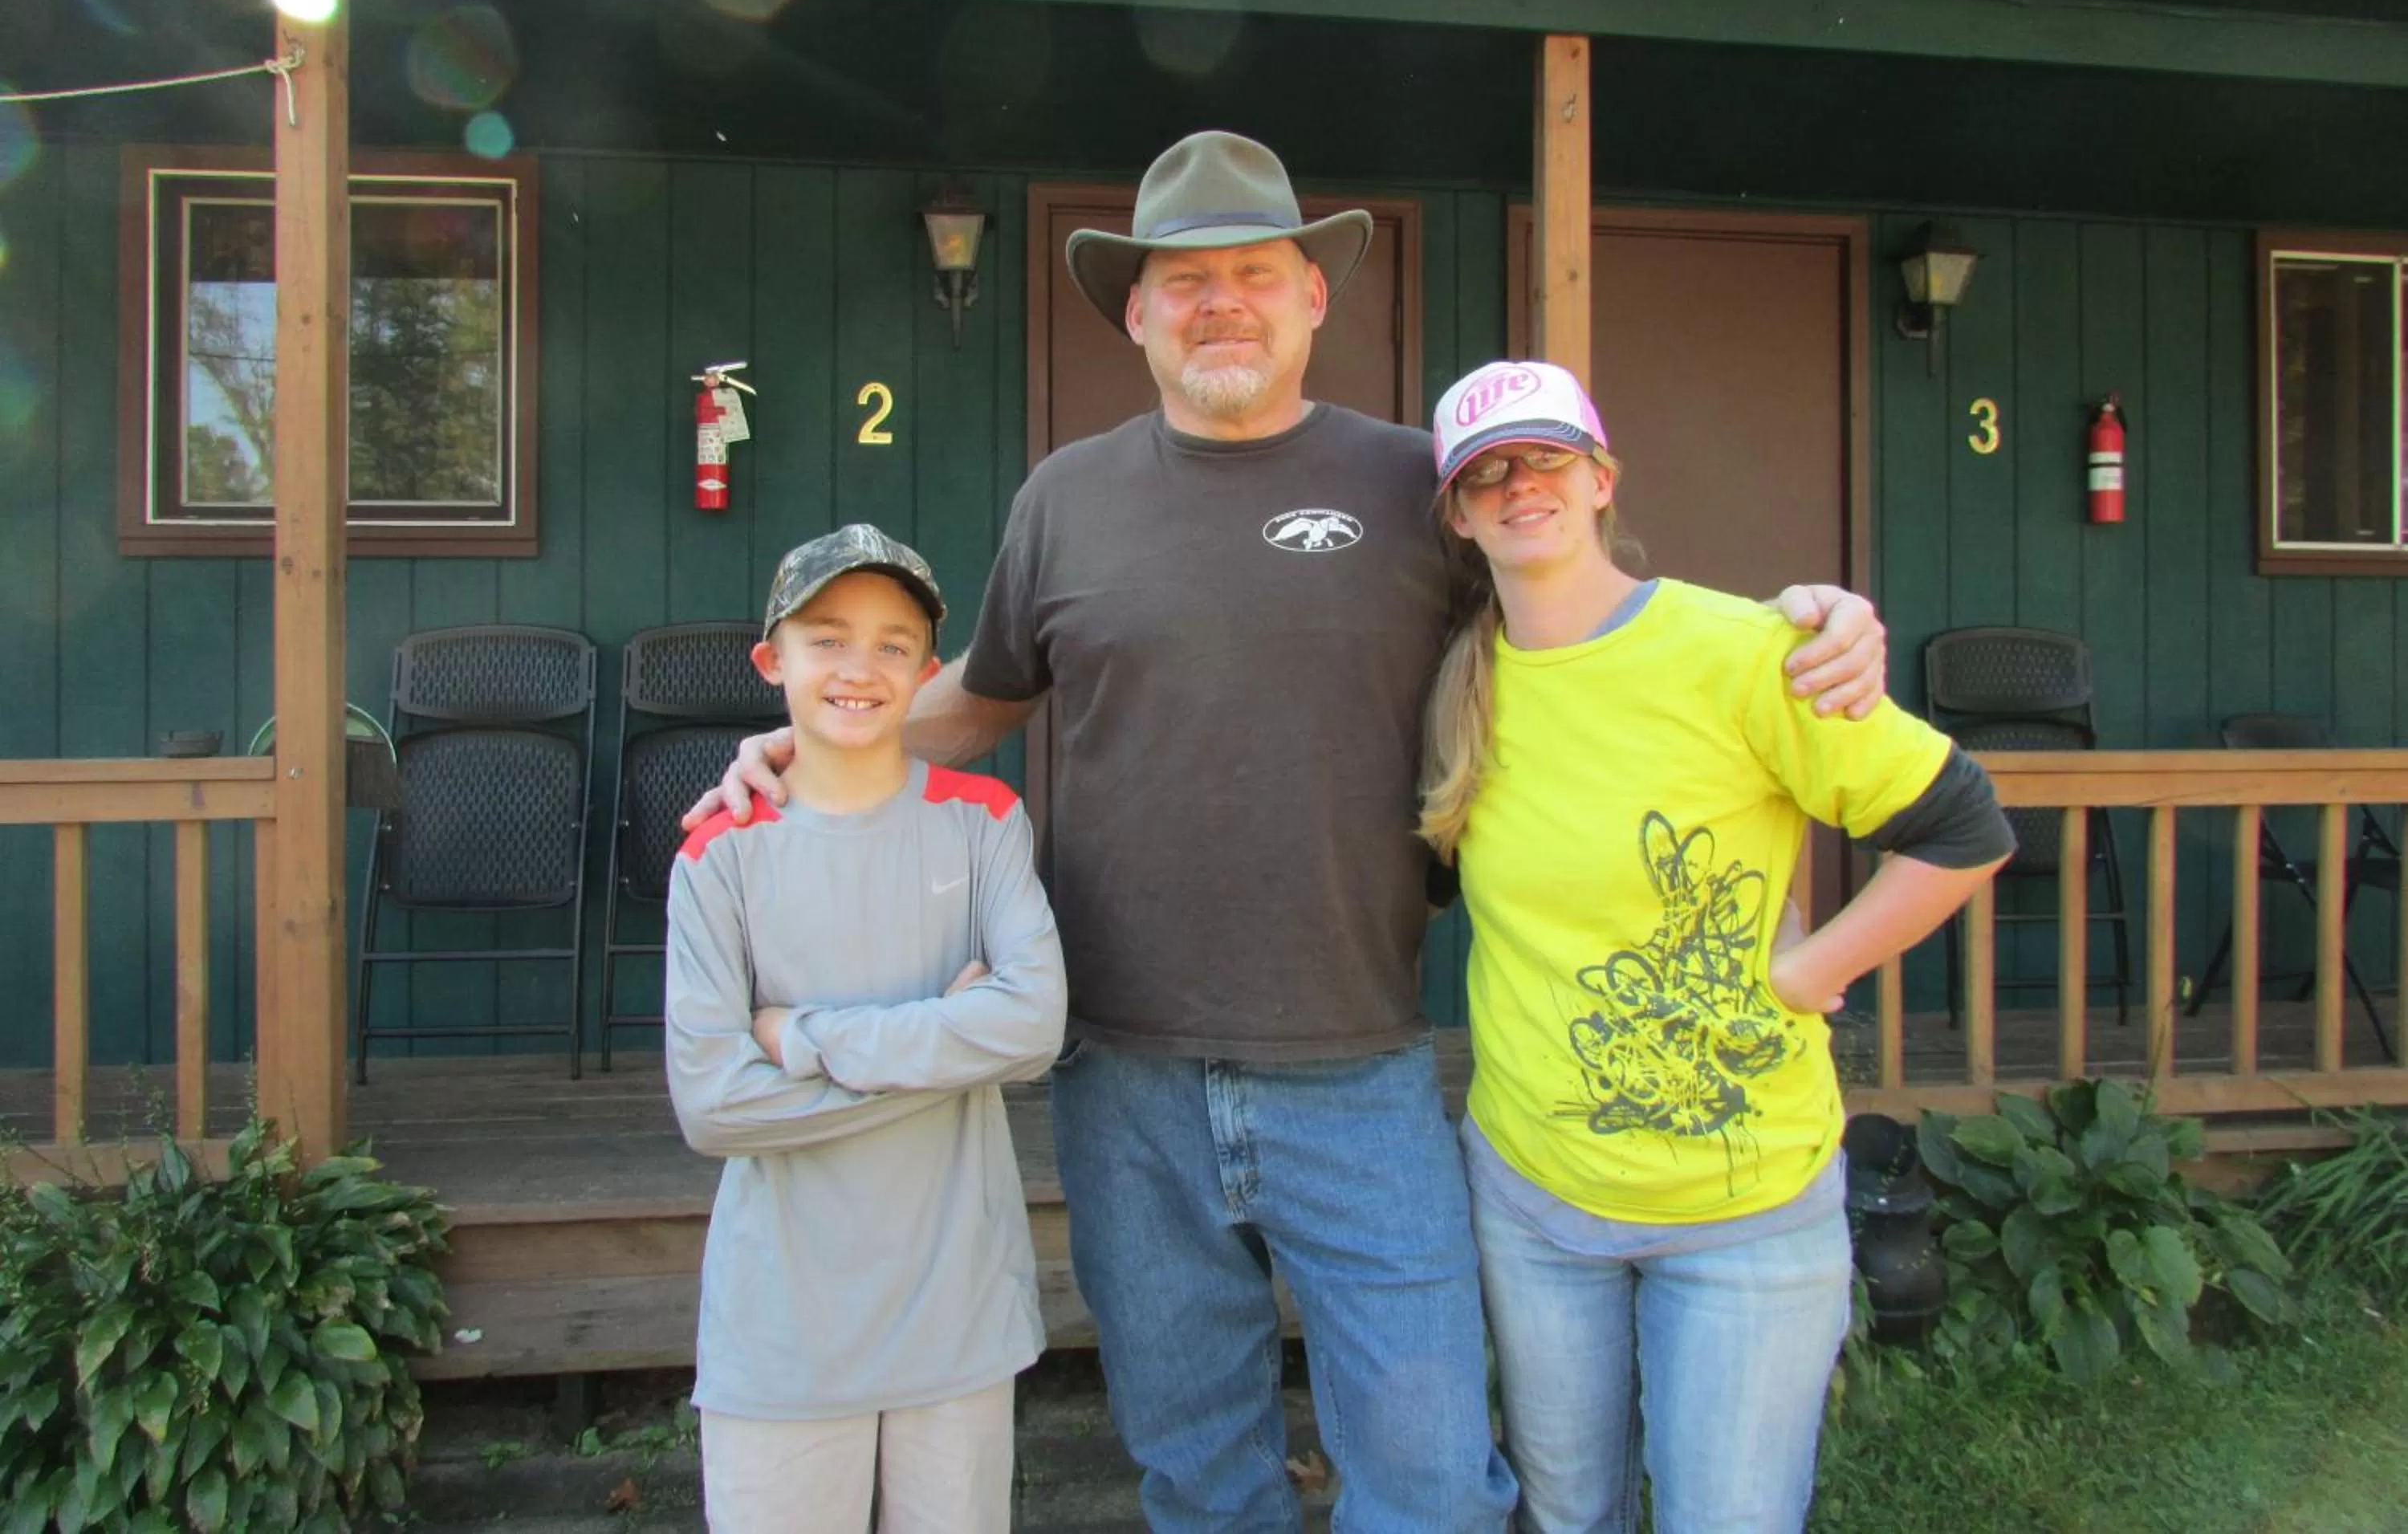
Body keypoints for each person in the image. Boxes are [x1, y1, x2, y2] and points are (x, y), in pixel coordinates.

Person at [689, 132, 1891, 1533]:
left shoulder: (1413, 488)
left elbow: (1600, 619)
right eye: (1184, 282)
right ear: (1134, 312)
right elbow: (985, 700)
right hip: (1121, 1073)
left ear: (1316, 298)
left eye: (1256, 273)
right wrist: (820, 740)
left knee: (1432, 1477)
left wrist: (1802, 617)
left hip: (1359, 1066)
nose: (1222, 306)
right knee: (1199, 1470)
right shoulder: (1067, 499)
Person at [1418, 360, 2013, 1534]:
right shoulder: (1450, 685)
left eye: (1543, 457)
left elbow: (1963, 828)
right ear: (1457, 512)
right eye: (1484, 473)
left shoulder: (1742, 649)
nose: (1516, 484)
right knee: (1568, 1512)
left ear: (1601, 478)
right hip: (1538, 1202)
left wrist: (1814, 966)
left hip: (1746, 1208)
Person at [665, 523, 1068, 1534]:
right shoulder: (723, 854)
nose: (860, 667)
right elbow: (714, 1105)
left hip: (957, 1310)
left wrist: (804, 1039)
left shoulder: (983, 821)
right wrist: (949, 1043)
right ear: (773, 660)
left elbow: (1033, 1024)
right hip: (784, 1328)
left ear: (928, 672)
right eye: (827, 638)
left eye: (893, 644)